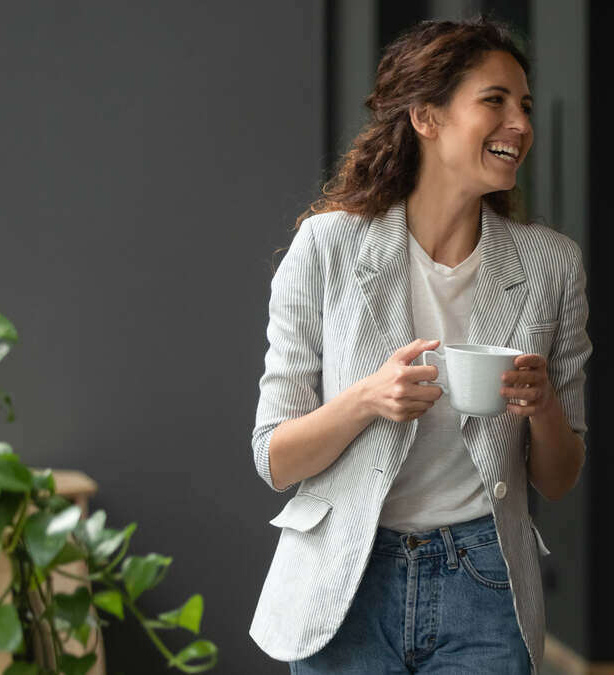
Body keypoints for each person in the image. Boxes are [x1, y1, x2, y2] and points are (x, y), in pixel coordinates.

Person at [248, 18, 590, 674]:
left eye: (524, 105)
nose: (519, 122)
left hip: (484, 579)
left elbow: (560, 474)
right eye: (494, 101)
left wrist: (541, 404)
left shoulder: (552, 265)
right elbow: (275, 457)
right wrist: (367, 399)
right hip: (346, 576)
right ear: (426, 117)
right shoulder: (326, 248)